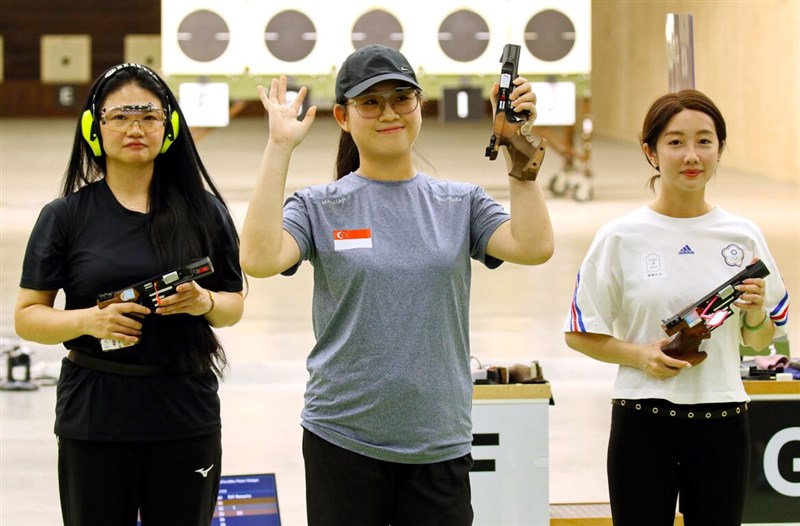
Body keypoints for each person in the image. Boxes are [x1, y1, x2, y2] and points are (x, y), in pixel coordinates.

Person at [240, 44, 554, 525]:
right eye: (370, 102)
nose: (389, 112)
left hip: (437, 441)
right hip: (341, 436)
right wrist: (278, 147)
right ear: (343, 117)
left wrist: (517, 144)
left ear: (419, 107)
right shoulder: (320, 206)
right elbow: (259, 259)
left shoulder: (458, 202)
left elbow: (534, 246)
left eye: (401, 98)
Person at [14, 63, 245, 525]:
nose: (134, 128)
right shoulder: (64, 216)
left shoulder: (206, 211)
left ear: (170, 126)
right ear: (94, 129)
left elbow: (232, 306)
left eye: (149, 116)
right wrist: (86, 321)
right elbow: (28, 316)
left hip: (185, 409)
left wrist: (204, 303)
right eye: (119, 116)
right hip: (95, 412)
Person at [563, 89, 790, 525]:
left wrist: (758, 315)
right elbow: (578, 332)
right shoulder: (619, 237)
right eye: (675, 142)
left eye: (705, 141)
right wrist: (641, 355)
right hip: (642, 420)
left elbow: (762, 342)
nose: (692, 155)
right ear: (651, 152)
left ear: (720, 150)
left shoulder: (743, 236)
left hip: (723, 420)